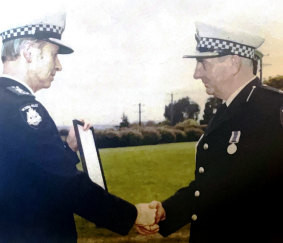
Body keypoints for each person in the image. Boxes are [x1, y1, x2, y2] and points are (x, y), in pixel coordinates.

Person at [0, 12, 157, 242]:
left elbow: (33, 172)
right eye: (54, 55)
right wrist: (133, 214)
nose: (59, 65)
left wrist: (68, 149)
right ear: (29, 53)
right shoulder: (23, 110)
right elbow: (66, 185)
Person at [137, 22, 283, 243]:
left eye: (203, 63)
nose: (196, 74)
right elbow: (215, 184)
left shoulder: (274, 110)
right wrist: (167, 210)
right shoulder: (228, 110)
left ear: (233, 63)